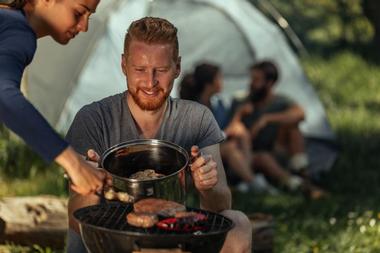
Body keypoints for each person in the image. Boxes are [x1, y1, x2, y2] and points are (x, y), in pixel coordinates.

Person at [65, 17, 252, 253]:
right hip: (107, 243)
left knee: (239, 223)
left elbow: (221, 208)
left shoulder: (197, 119)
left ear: (177, 67)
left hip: (171, 239)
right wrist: (89, 184)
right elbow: (74, 220)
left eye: (161, 70)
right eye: (140, 69)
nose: (150, 82)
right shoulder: (94, 119)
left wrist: (208, 186)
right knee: (89, 202)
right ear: (124, 65)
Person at [0, 0, 105, 195]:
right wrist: (74, 164)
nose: (84, 27)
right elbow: (4, 96)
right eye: (79, 12)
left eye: (90, 16)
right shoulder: (19, 32)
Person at [232, 60, 325, 198]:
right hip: (251, 156)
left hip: (277, 150)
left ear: (269, 83)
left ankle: (302, 172)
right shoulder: (242, 103)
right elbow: (231, 132)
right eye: (251, 79)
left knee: (293, 128)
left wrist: (267, 119)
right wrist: (240, 114)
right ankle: (298, 185)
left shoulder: (280, 102)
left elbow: (300, 114)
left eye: (256, 80)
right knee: (263, 158)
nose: (251, 84)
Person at [179, 63, 276, 194]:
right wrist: (236, 119)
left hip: (217, 148)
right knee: (231, 147)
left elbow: (224, 129)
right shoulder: (194, 108)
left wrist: (237, 118)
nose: (222, 82)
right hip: (198, 153)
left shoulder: (217, 104)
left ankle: (243, 178)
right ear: (209, 84)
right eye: (219, 78)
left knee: (239, 131)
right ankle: (252, 182)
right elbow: (205, 139)